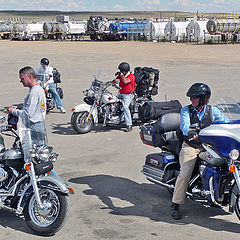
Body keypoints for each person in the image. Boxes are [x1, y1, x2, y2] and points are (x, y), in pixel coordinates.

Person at [171, 83, 228, 220]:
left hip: (210, 145)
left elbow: (225, 123)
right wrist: (191, 133)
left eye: (194, 98)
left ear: (203, 99)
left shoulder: (212, 111)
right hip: (191, 145)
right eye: (191, 98)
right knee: (185, 173)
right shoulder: (186, 110)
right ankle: (175, 205)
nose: (191, 100)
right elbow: (184, 126)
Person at [8, 66, 47, 147]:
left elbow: (28, 114)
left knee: (31, 154)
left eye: (22, 78)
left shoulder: (34, 92)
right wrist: (20, 108)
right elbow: (34, 108)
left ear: (30, 77)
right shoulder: (38, 89)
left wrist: (13, 111)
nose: (21, 81)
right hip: (38, 126)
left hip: (33, 127)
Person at [113, 62, 135, 132]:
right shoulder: (120, 76)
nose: (120, 72)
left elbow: (125, 81)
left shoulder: (131, 76)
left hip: (128, 95)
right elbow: (114, 81)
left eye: (121, 71)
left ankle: (129, 125)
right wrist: (106, 83)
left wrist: (121, 75)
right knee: (112, 101)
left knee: (125, 107)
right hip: (121, 94)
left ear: (125, 70)